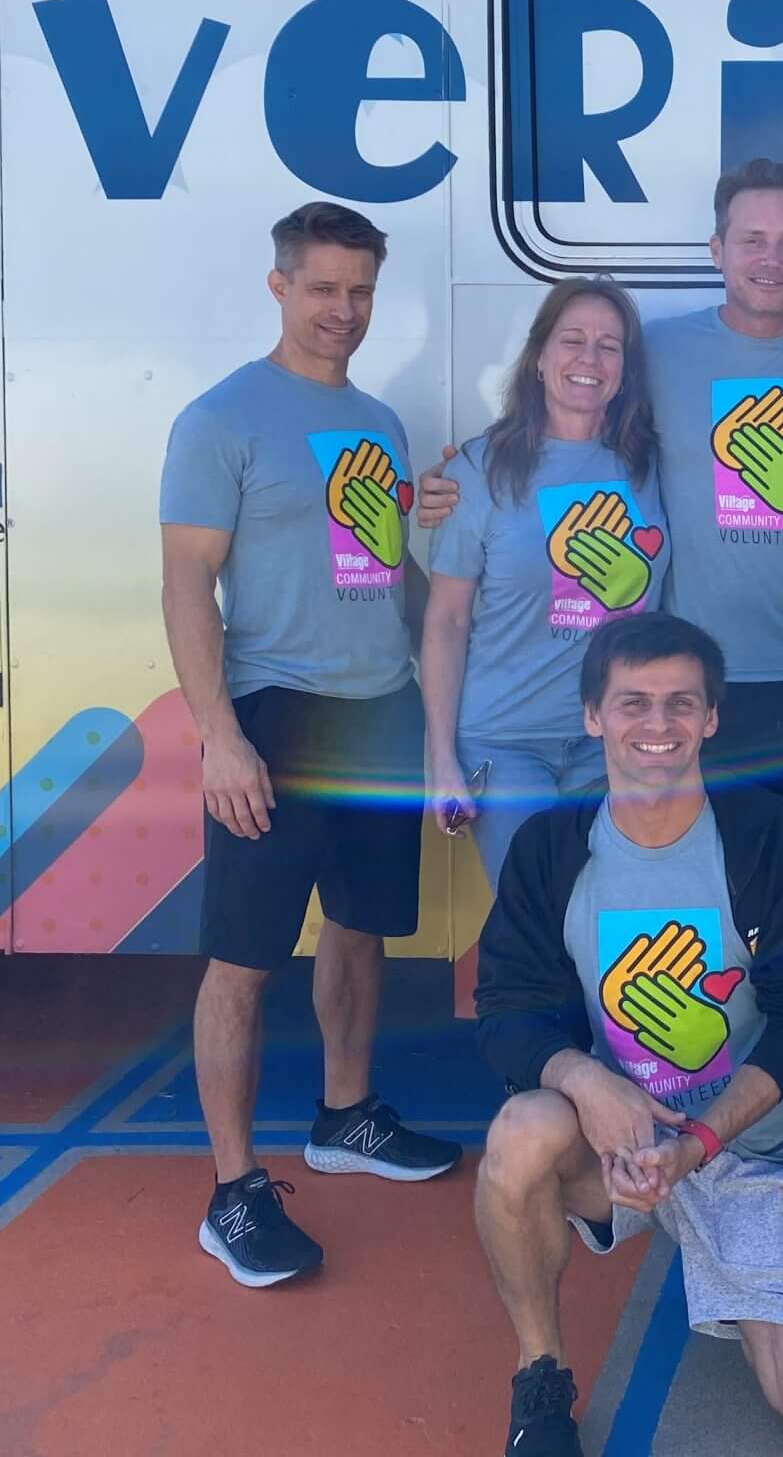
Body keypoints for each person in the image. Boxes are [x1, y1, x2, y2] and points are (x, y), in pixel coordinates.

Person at [424, 160, 783, 1178]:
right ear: (715, 251)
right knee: (617, 914)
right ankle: (580, 1137)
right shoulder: (659, 355)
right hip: (687, 703)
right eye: (749, 238)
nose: (770, 257)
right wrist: (446, 477)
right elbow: (504, 499)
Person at [471, 613, 783, 1457]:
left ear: (712, 718)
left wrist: (696, 1140)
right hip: (617, 1147)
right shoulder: (550, 847)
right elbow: (504, 1008)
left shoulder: (771, 836)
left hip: (745, 1147)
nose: (658, 726)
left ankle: (717, 1261)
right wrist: (586, 1078)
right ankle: (540, 1378)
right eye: (633, 704)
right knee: (522, 1130)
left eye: (681, 704)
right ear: (592, 716)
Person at [159, 201, 462, 1290]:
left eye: (360, 291)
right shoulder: (221, 418)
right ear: (280, 285)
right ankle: (233, 1190)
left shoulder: (378, 423)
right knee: (241, 962)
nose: (344, 310)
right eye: (324, 288)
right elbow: (186, 581)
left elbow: (389, 578)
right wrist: (219, 738)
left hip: (377, 711)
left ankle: (345, 1115)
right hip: (276, 718)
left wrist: (454, 661)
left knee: (360, 931)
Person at [419, 279, 669, 889]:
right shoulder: (478, 469)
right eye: (573, 340)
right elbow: (447, 620)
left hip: (616, 741)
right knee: (533, 923)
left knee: (609, 927)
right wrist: (440, 759)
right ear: (538, 357)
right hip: (505, 744)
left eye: (609, 347)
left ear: (625, 371)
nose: (590, 360)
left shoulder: (651, 466)